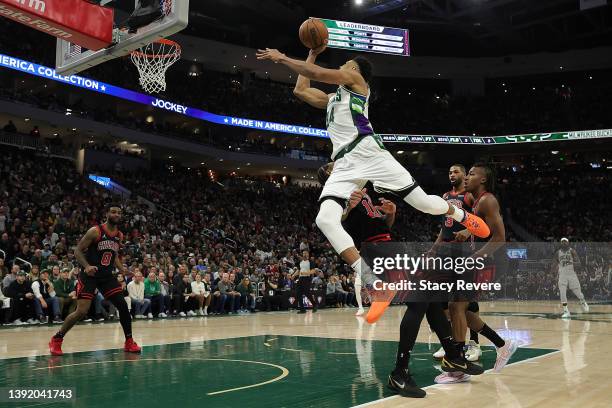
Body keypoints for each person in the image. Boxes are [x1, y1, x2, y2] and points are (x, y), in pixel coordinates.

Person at [257, 46, 490, 324]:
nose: (344, 66)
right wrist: (311, 52)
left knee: (425, 204)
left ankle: (463, 215)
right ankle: (375, 282)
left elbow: (318, 74)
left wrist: (283, 58)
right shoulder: (333, 98)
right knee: (325, 219)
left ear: (356, 72)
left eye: (348, 64)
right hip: (344, 163)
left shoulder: (358, 84)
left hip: (369, 152)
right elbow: (302, 91)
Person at [445, 163, 518, 379]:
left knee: (456, 306)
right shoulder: (475, 201)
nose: (466, 177)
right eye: (466, 174)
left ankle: (459, 367)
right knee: (459, 310)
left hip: (490, 262)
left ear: (483, 180)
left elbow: (499, 237)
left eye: (471, 174)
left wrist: (475, 257)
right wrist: (468, 231)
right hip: (480, 260)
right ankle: (502, 345)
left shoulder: (488, 200)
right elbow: (481, 224)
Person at [49, 205, 141, 355]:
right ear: (107, 214)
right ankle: (57, 339)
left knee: (123, 306)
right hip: (90, 276)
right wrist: (86, 266)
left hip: (106, 276)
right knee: (81, 312)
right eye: (113, 212)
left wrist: (121, 268)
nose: (116, 214)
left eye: (119, 212)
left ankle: (129, 342)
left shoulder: (119, 235)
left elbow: (114, 255)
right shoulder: (95, 231)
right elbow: (77, 251)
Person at [429, 165, 481, 363]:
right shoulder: (444, 196)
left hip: (464, 252)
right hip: (445, 251)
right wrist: (434, 249)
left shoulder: (469, 196)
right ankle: (451, 343)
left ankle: (474, 344)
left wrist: (468, 231)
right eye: (449, 172)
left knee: (466, 300)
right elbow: (444, 228)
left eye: (456, 172)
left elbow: (481, 221)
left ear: (464, 175)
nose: (452, 174)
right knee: (445, 301)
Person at [553, 238, 589, 318]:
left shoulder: (572, 251)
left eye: (565, 241)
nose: (564, 243)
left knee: (577, 292)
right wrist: (554, 273)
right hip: (562, 274)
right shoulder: (557, 253)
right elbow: (554, 264)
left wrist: (573, 263)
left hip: (571, 273)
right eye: (562, 242)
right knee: (562, 292)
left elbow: (579, 263)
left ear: (568, 243)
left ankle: (583, 302)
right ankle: (566, 311)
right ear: (560, 243)